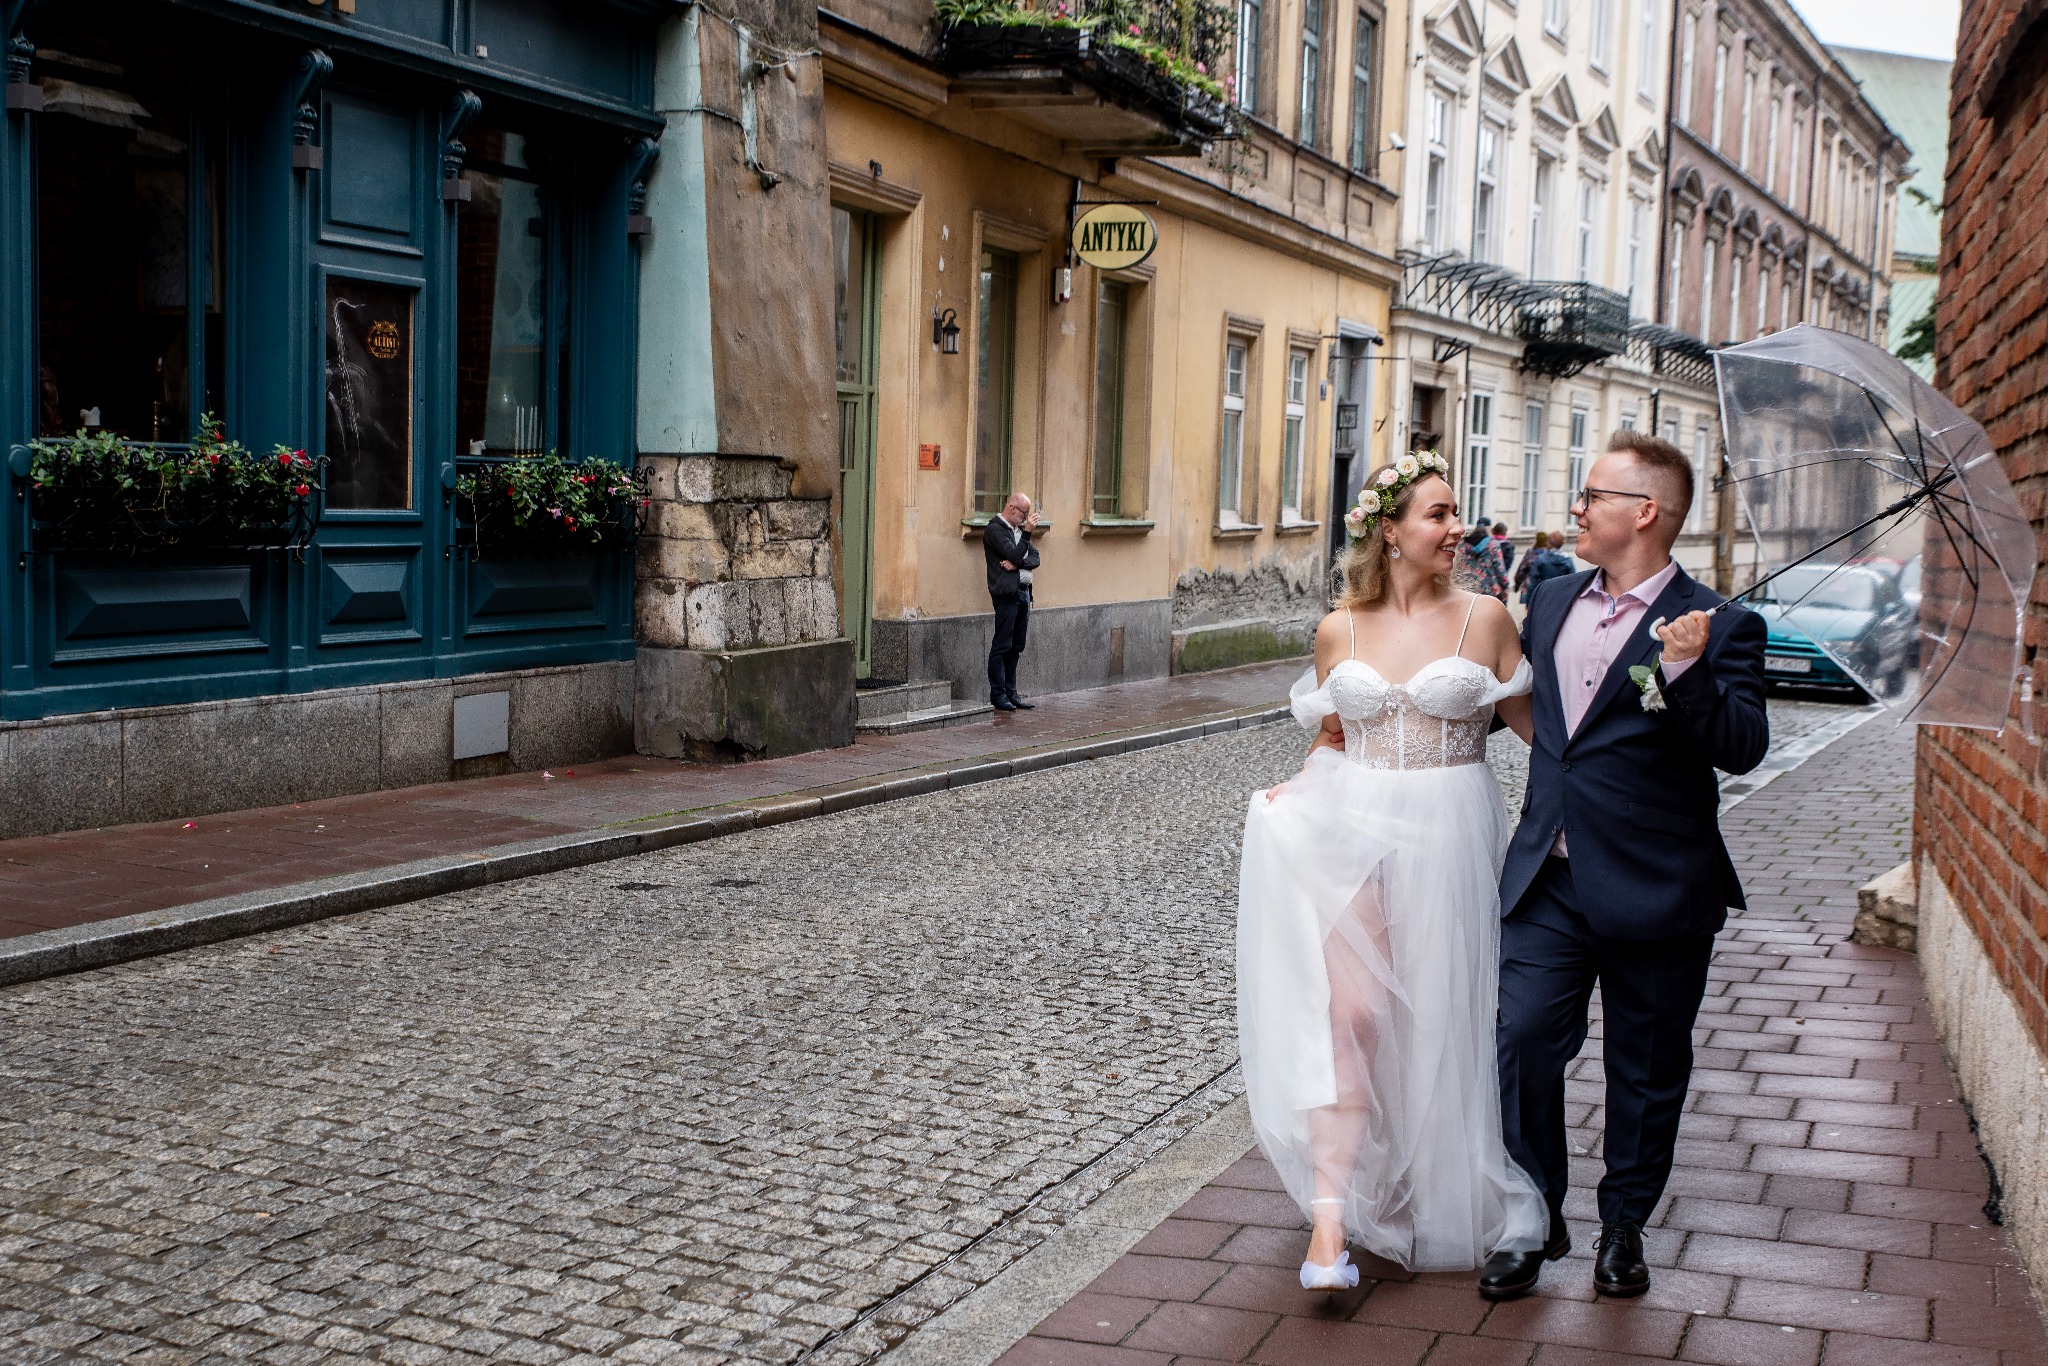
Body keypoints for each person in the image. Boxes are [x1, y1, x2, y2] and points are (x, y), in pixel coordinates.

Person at [1238, 451, 1548, 1292]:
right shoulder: (1338, 628)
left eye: (1456, 514)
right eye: (1439, 515)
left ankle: (1433, 1183)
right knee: (1356, 1016)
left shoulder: (1485, 618)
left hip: (1449, 829)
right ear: (1390, 530)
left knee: (1441, 1016)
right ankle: (1330, 1226)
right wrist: (1294, 794)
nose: (1459, 529)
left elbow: (1535, 732)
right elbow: (1333, 734)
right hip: (1350, 826)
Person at [1477, 431, 1768, 1302]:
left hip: (1658, 887)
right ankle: (1533, 1217)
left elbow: (1743, 747)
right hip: (1550, 877)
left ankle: (1624, 1227)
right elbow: (1528, 715)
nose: (1576, 507)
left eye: (1592, 493)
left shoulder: (1724, 624)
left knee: (1644, 1070)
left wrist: (1685, 670)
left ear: (1644, 513)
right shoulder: (1555, 598)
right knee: (1522, 1041)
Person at [983, 491, 1041, 711]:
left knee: (1016, 646)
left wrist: (1017, 564)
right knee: (1002, 645)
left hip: (1023, 592)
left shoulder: (1018, 531)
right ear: (1011, 507)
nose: (1026, 518)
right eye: (1024, 513)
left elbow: (1035, 558)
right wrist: (1026, 536)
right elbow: (1015, 553)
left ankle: (1011, 692)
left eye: (1028, 514)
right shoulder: (995, 530)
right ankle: (998, 694)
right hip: (1006, 594)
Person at [1515, 531, 1575, 606]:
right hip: (1561, 599)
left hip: (1544, 598)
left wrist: (1529, 602)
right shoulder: (1568, 560)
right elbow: (1573, 583)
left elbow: (1533, 581)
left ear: (1549, 542)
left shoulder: (1541, 559)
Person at [1458, 523, 1509, 600]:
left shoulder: (1462, 547)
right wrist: (1505, 587)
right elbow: (1500, 569)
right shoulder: (1493, 546)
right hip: (1489, 590)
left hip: (1466, 590)